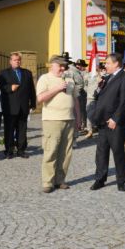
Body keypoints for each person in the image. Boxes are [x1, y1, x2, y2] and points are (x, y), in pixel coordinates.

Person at [36, 55, 81, 193]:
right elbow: (40, 98)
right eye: (60, 65)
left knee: (66, 152)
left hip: (69, 119)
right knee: (51, 151)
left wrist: (78, 118)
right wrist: (57, 88)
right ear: (52, 65)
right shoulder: (45, 78)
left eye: (64, 66)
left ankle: (60, 180)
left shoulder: (69, 79)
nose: (63, 68)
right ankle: (48, 182)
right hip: (52, 120)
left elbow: (75, 100)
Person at [90, 53, 125, 192]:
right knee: (101, 152)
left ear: (116, 64)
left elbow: (124, 101)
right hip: (103, 121)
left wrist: (115, 118)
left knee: (118, 152)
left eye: (108, 63)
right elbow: (97, 96)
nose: (105, 65)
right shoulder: (107, 78)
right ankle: (100, 179)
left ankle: (121, 181)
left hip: (115, 122)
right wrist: (99, 86)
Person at [0, 52, 36, 158]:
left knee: (22, 129)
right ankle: (9, 150)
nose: (17, 61)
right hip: (10, 107)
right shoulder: (4, 73)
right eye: (15, 60)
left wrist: (32, 103)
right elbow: (1, 87)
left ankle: (21, 150)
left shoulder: (27, 73)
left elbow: (31, 89)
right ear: (10, 61)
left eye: (18, 60)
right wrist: (10, 88)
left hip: (23, 107)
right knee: (9, 129)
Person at [83, 61, 106, 138]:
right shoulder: (88, 75)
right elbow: (84, 85)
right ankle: (90, 131)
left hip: (101, 98)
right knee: (89, 114)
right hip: (90, 98)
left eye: (97, 66)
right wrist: (90, 92)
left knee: (100, 115)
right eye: (94, 65)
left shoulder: (103, 75)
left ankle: (100, 129)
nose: (95, 67)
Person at [75, 60, 89, 130]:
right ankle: (79, 124)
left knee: (83, 110)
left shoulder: (86, 73)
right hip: (78, 93)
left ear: (83, 66)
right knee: (78, 109)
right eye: (77, 64)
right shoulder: (76, 73)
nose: (78, 66)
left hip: (84, 93)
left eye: (79, 65)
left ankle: (85, 124)